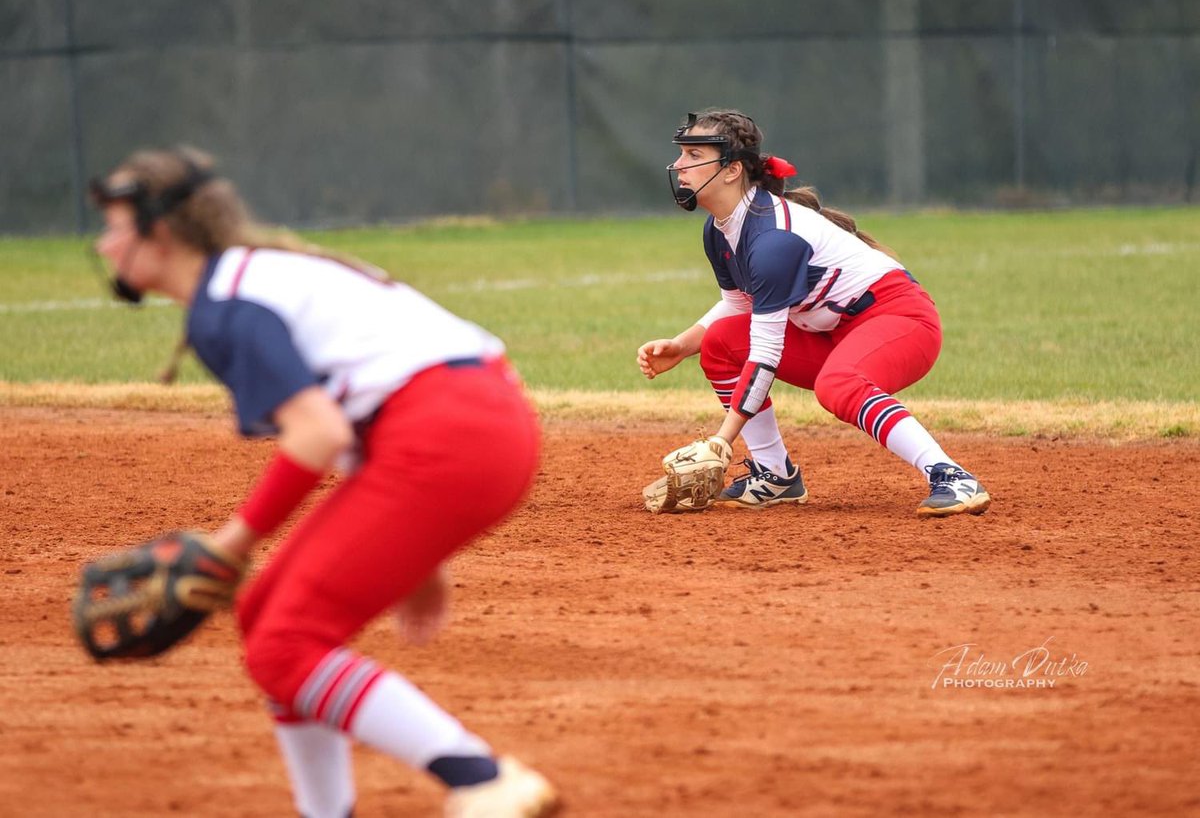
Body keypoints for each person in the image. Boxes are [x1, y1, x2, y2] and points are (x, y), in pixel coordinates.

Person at [90, 146, 560, 818]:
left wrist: (230, 545)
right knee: (264, 618)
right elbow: (361, 401)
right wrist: (418, 560)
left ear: (159, 234)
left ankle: (483, 778)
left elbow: (318, 432)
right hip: (472, 423)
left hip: (447, 435)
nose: (105, 246)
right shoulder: (251, 276)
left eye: (115, 228)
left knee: (286, 645)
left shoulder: (226, 305)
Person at [637, 110, 990, 518]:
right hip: (834, 332)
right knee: (719, 343)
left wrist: (721, 441)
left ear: (732, 170)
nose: (679, 165)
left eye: (694, 155)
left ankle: (951, 475)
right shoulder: (720, 229)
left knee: (838, 384)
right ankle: (775, 476)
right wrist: (683, 345)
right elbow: (738, 306)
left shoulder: (772, 240)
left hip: (901, 320)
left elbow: (765, 355)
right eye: (682, 153)